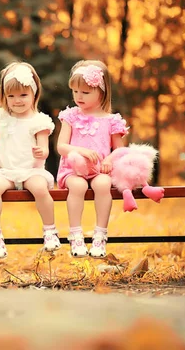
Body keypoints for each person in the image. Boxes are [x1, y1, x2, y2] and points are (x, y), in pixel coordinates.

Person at [0, 61, 60, 258]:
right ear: (4, 96)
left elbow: (45, 148)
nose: (17, 100)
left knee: (40, 188)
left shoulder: (39, 121)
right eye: (11, 96)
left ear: (34, 94)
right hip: (7, 171)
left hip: (32, 171)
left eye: (23, 95)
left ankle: (50, 231)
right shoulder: (4, 118)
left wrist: (42, 152)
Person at [56, 60, 128, 258]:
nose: (79, 96)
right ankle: (76, 235)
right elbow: (61, 147)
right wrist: (80, 151)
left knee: (103, 184)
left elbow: (120, 151)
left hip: (99, 170)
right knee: (78, 187)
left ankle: (100, 235)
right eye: (75, 91)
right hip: (73, 169)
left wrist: (108, 161)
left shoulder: (111, 120)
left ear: (102, 92)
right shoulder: (70, 116)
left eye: (85, 92)